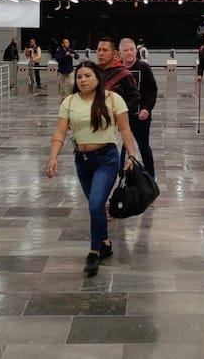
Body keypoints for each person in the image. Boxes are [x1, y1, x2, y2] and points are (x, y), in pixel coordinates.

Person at [45, 61, 139, 278]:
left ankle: (93, 252)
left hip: (106, 159)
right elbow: (60, 133)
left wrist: (131, 155)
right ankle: (105, 242)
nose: (83, 80)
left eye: (88, 76)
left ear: (98, 78)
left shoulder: (113, 99)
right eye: (79, 77)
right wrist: (53, 157)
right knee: (96, 207)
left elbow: (125, 130)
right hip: (82, 161)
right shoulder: (69, 102)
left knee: (96, 203)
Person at [120, 38, 158, 178]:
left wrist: (147, 108)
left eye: (132, 50)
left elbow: (153, 90)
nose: (129, 53)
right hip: (122, 116)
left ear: (136, 51)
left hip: (141, 116)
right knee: (121, 148)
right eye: (126, 50)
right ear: (120, 53)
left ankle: (150, 176)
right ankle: (120, 174)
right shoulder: (117, 69)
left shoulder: (143, 67)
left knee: (144, 146)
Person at [95, 37, 141, 114]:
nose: (101, 53)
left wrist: (119, 111)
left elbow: (135, 98)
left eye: (105, 50)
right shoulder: (92, 72)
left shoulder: (123, 74)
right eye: (99, 50)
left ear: (114, 53)